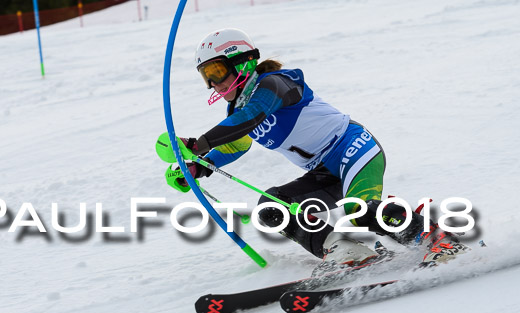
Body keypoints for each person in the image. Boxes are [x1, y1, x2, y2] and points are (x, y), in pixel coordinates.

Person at [171, 28, 464, 265]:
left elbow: (252, 117)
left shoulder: (275, 83)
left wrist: (198, 144)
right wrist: (199, 166)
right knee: (272, 208)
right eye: (205, 76)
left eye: (217, 71)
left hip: (354, 148)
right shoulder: (238, 109)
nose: (214, 83)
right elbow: (237, 144)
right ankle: (346, 251)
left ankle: (437, 239)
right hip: (323, 172)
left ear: (242, 61)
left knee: (358, 210)